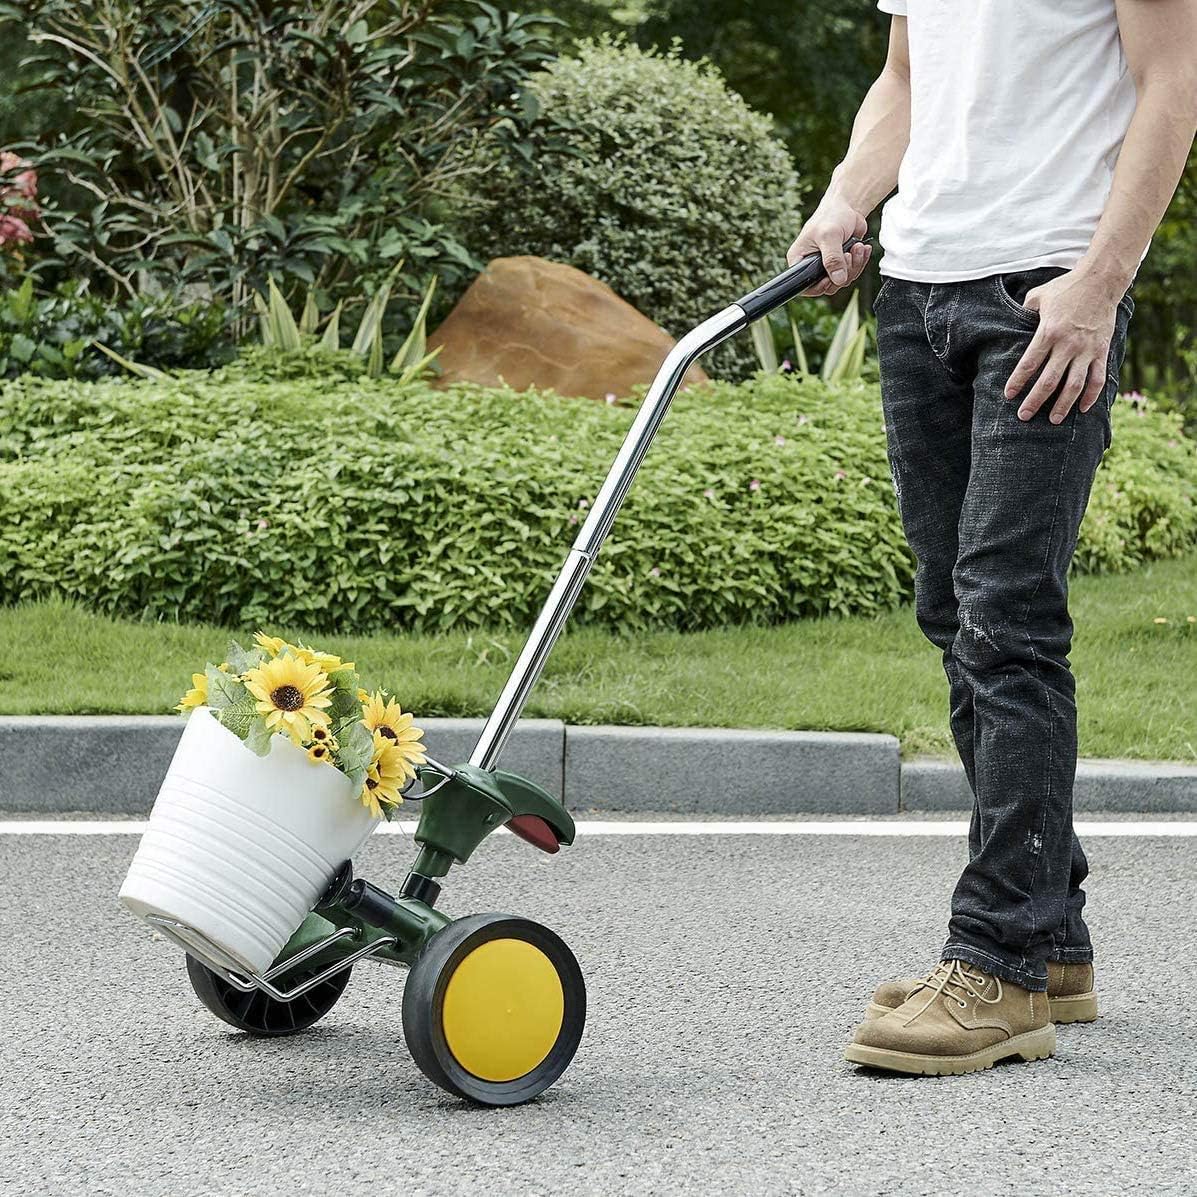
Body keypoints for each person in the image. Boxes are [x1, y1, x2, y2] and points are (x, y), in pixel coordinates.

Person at [786, 0, 1197, 1075]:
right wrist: (844, 196)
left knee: (1008, 621)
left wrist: (1101, 287)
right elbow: (908, 80)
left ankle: (1000, 966)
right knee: (953, 612)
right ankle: (1050, 934)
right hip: (918, 292)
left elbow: (1174, 82)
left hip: (1043, 294)